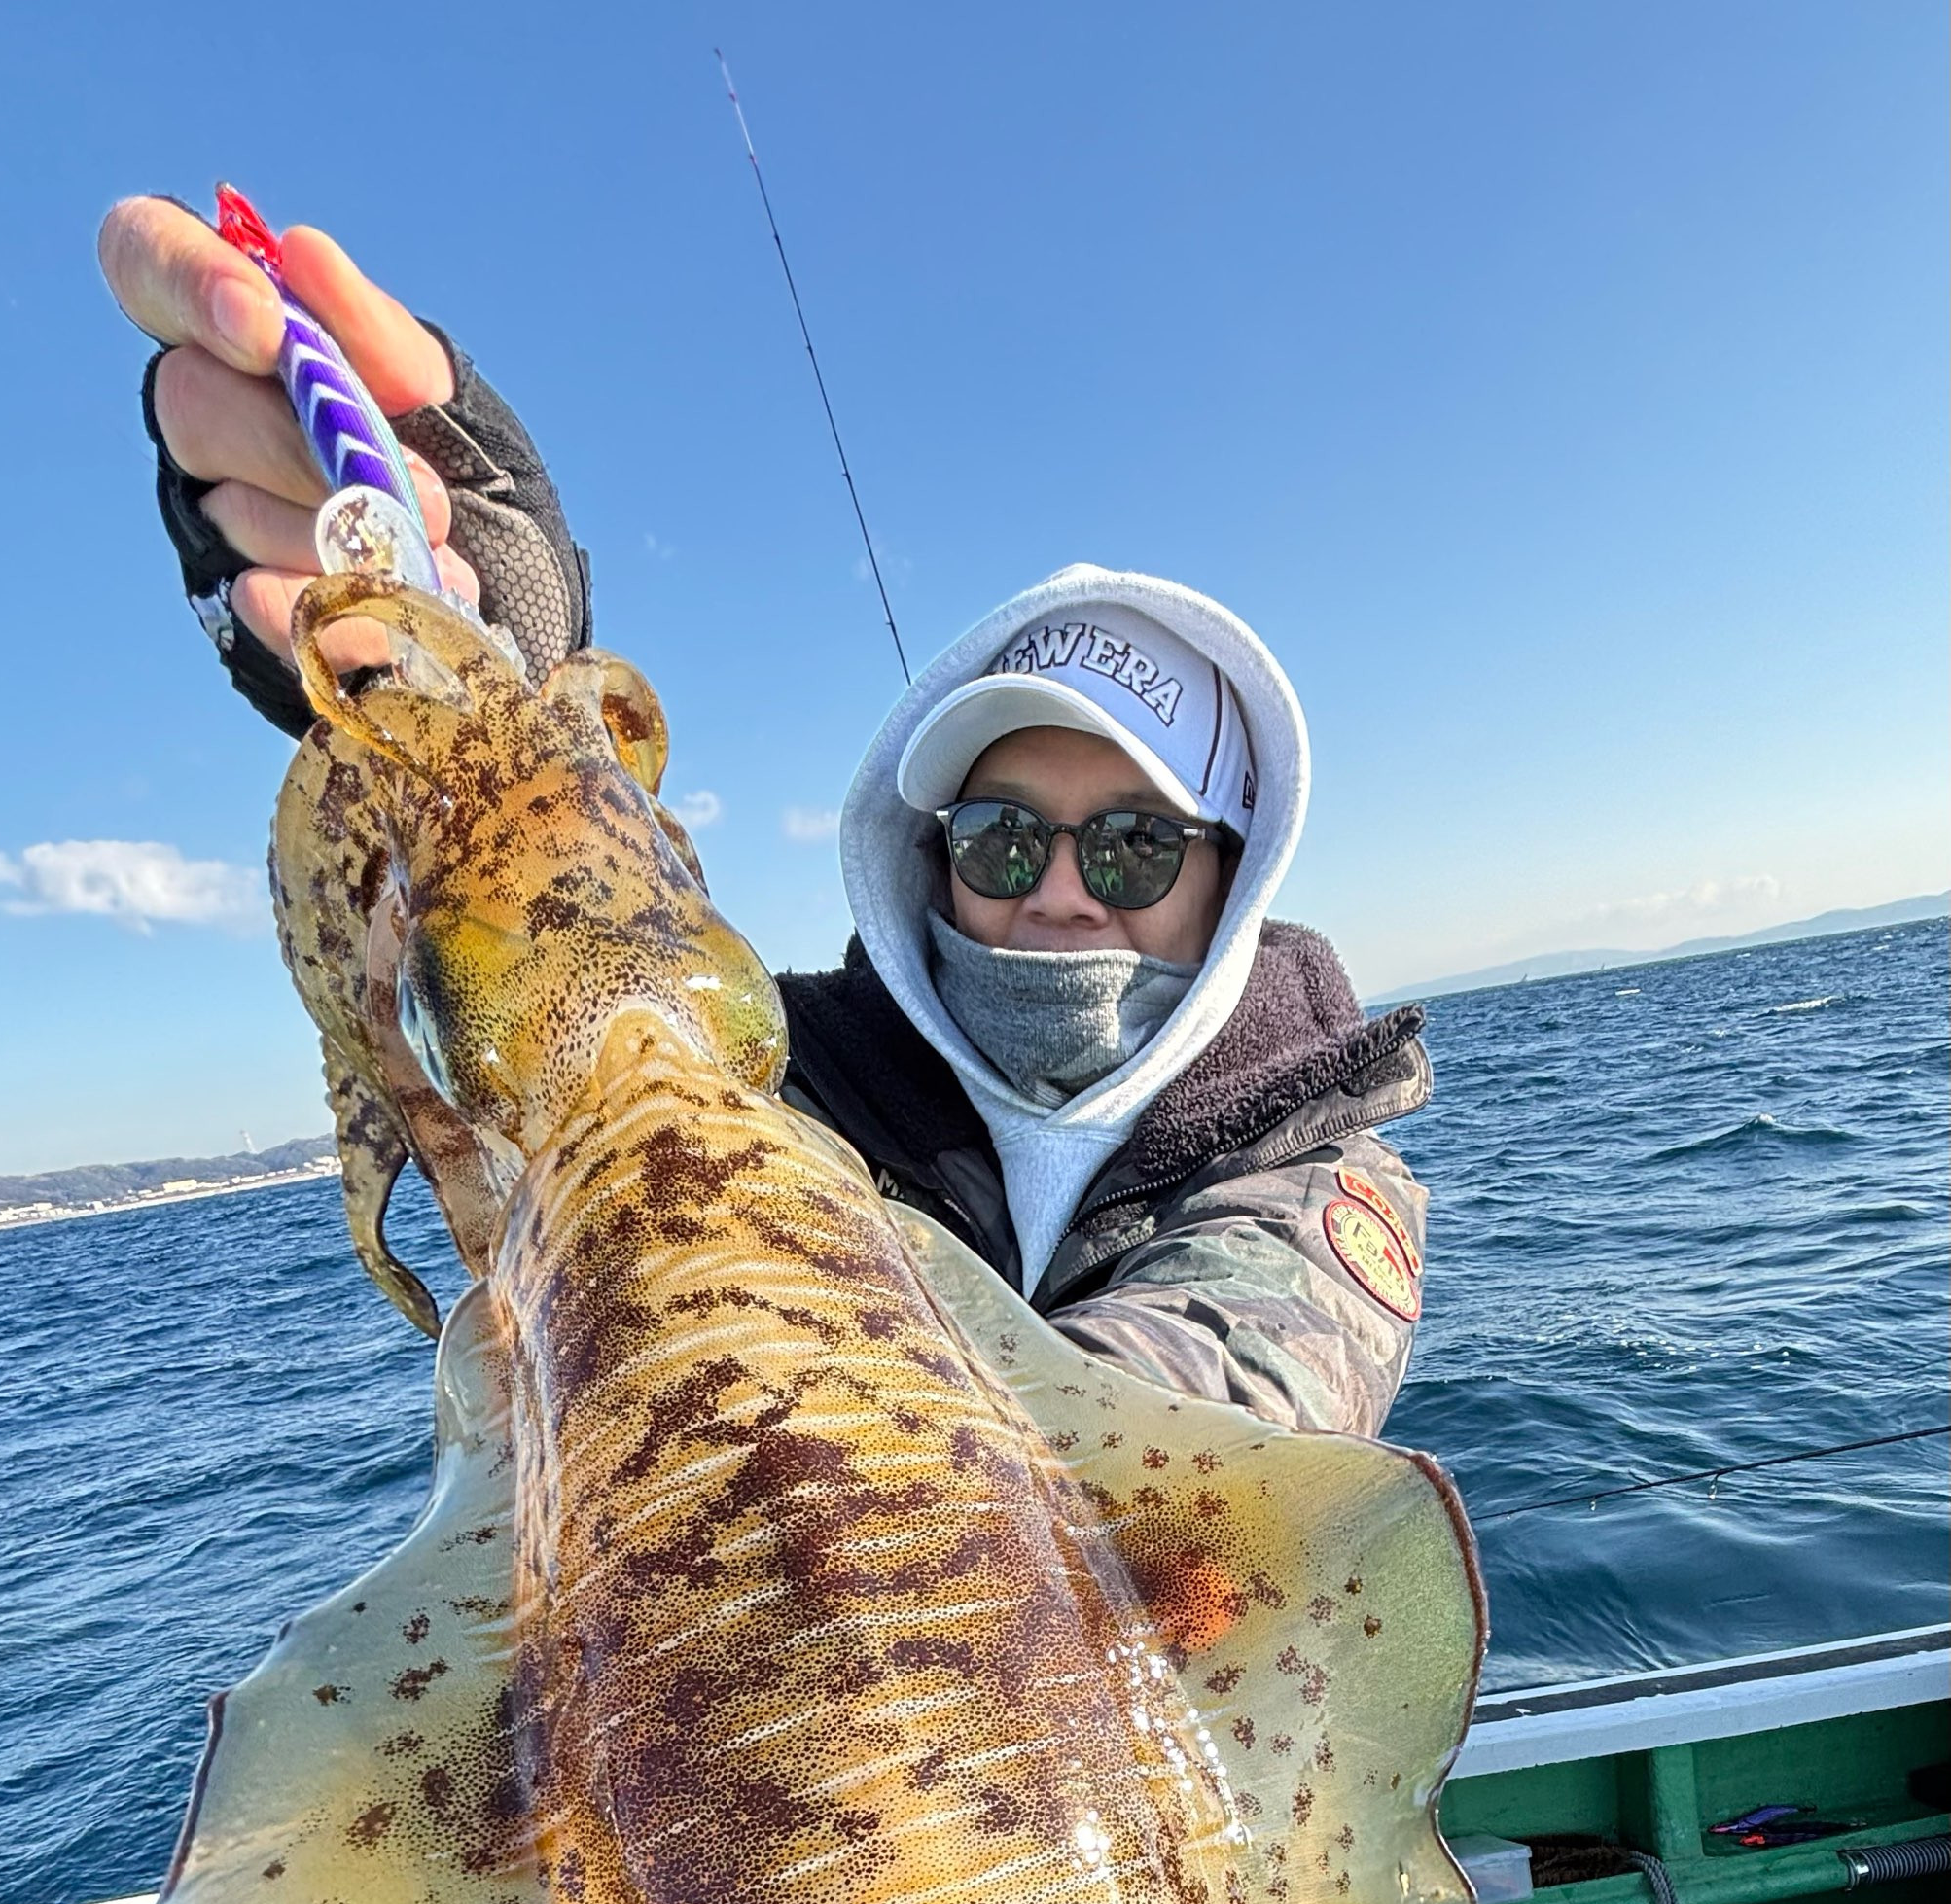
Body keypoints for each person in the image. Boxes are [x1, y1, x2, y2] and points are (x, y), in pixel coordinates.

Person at [100, 200, 1433, 1433]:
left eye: (1135, 845)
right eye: (1001, 838)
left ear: (1231, 874)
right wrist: (447, 704)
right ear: (927, 859)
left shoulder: (1308, 1171)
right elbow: (549, 1121)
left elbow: (1195, 1433)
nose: (1062, 893)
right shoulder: (785, 1091)